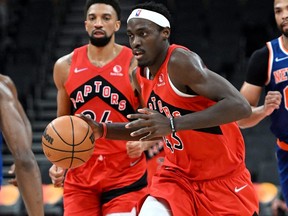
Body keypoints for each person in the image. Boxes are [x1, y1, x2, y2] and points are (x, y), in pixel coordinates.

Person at [78, 1, 259, 215]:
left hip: (222, 179)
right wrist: (102, 130)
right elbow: (151, 128)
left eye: (143, 34)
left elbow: (240, 107)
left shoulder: (181, 62)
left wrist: (173, 124)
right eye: (131, 35)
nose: (135, 42)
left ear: (164, 33)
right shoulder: (138, 76)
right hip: (177, 177)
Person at [48, 0, 153, 215]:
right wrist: (58, 162)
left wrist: (144, 144)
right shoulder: (64, 66)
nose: (98, 23)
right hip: (81, 177)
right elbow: (61, 125)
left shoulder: (135, 65)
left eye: (106, 18)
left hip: (125, 176)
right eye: (93, 18)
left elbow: (156, 120)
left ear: (116, 25)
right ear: (86, 24)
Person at [237, 0, 288, 210]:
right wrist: (263, 110)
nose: (284, 15)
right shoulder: (265, 57)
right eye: (278, 11)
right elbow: (241, 118)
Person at [0, 74, 44, 216]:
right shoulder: (4, 86)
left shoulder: (4, 84)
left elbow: (24, 122)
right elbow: (25, 160)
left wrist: (23, 151)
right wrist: (21, 154)